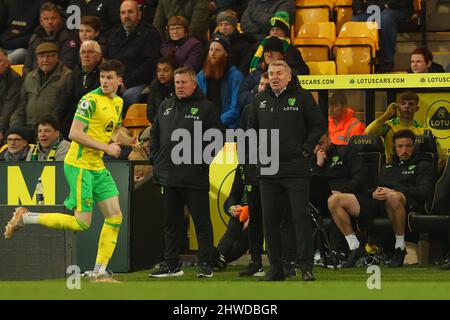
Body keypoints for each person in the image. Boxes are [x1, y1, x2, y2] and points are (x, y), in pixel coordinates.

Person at [4, 59, 140, 282]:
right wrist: (106, 147)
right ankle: (26, 218)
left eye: (109, 78)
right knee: (81, 224)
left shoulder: (117, 101)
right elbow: (75, 133)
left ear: (119, 81)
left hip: (97, 166)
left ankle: (99, 272)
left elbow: (114, 130)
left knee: (115, 217)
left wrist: (129, 141)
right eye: (102, 77)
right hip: (79, 165)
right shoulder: (89, 101)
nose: (104, 81)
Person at [247, 60, 326, 281]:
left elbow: (318, 124)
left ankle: (306, 267)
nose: (274, 77)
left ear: (289, 76)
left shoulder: (302, 97)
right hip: (268, 169)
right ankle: (277, 267)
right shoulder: (259, 100)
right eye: (271, 73)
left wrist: (305, 149)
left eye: (279, 73)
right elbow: (251, 130)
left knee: (299, 217)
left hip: (295, 168)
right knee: (270, 219)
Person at [149, 67, 221, 278]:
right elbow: (155, 134)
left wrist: (201, 164)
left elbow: (215, 140)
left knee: (201, 222)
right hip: (168, 176)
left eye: (183, 82)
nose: (179, 86)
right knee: (171, 224)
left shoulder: (207, 108)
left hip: (194, 176)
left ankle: (206, 263)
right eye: (177, 82)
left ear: (194, 84)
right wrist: (155, 158)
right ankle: (172, 264)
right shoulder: (165, 106)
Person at [328, 130, 435, 268]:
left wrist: (395, 190)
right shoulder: (387, 166)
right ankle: (355, 247)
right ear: (395, 147)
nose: (404, 150)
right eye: (400, 146)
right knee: (335, 200)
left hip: (406, 203)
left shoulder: (424, 165)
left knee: (393, 197)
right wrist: (373, 193)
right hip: (378, 203)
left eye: (408, 146)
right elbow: (371, 186)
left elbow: (424, 191)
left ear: (414, 147)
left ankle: (399, 247)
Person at [364, 91, 447, 173]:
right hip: (392, 171)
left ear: (417, 109)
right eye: (403, 103)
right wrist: (387, 114)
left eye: (411, 104)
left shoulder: (424, 130)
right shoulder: (389, 126)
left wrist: (431, 176)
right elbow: (369, 132)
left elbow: (442, 157)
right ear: (398, 107)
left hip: (415, 173)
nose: (407, 106)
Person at [106, 0, 162, 109]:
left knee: (128, 96)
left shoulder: (150, 33)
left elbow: (149, 64)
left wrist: (126, 83)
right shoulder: (114, 34)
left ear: (139, 14)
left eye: (130, 12)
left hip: (139, 82)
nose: (126, 16)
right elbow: (109, 60)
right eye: (123, 13)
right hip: (116, 80)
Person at [10, 42, 72, 129]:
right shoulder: (30, 77)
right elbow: (20, 107)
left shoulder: (67, 76)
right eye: (41, 57)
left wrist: (49, 126)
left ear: (57, 57)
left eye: (49, 56)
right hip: (29, 127)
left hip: (53, 129)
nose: (45, 60)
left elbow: (65, 108)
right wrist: (16, 127)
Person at [56, 40, 103, 139]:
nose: (86, 55)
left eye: (90, 52)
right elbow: (64, 101)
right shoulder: (75, 74)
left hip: (93, 123)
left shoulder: (104, 75)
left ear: (99, 56)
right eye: (83, 52)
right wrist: (55, 123)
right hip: (72, 122)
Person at [197, 33, 244, 129]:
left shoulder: (235, 76)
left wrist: (216, 122)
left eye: (218, 50)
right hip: (206, 124)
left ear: (226, 53)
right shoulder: (201, 75)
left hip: (228, 126)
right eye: (211, 50)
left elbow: (235, 108)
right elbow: (197, 103)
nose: (213, 53)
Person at [351, 0, 413, 72]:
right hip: (375, 8)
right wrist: (358, 7)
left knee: (386, 18)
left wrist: (387, 4)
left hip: (398, 8)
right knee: (356, 20)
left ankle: (388, 61)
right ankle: (359, 61)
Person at [23, 2, 78, 74]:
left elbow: (67, 64)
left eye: (53, 18)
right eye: (46, 19)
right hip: (35, 79)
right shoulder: (35, 37)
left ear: (59, 19)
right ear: (41, 21)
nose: (50, 22)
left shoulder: (69, 36)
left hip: (59, 79)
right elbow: (28, 64)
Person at [248, 11, 309, 75]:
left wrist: (282, 67)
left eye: (277, 29)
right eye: (272, 30)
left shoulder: (291, 50)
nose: (275, 32)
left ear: (284, 32)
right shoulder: (259, 46)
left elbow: (303, 71)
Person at [0, 0, 46, 64]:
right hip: (3, 47)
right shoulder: (5, 2)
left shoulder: (42, 4)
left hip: (23, 50)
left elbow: (40, 34)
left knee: (19, 54)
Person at [215, 9, 256, 75]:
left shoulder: (244, 44)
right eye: (221, 25)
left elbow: (243, 67)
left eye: (227, 24)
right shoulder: (212, 43)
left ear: (234, 26)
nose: (223, 27)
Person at [145, 56, 177, 122]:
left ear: (174, 72)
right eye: (158, 70)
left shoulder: (179, 86)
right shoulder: (154, 85)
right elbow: (150, 112)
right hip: (158, 124)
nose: (161, 74)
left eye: (166, 70)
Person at [0, 48, 22, 142]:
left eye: (0, 61)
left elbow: (9, 107)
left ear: (7, 62)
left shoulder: (14, 79)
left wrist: (0, 129)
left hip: (6, 125)